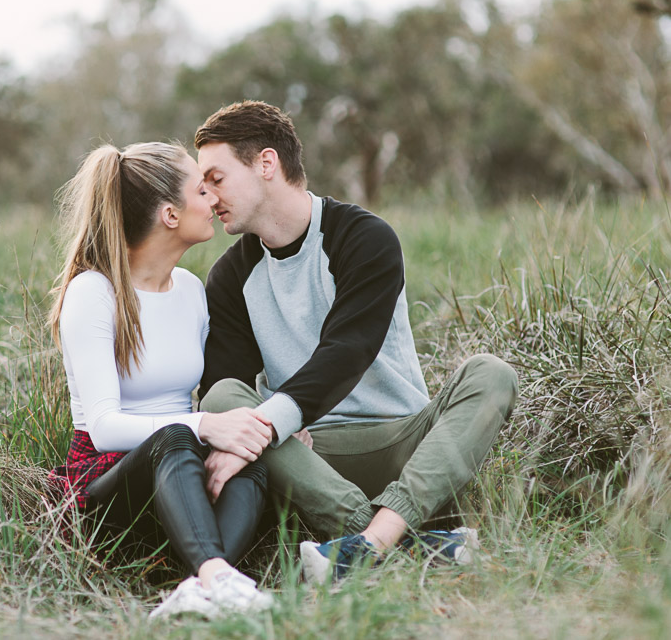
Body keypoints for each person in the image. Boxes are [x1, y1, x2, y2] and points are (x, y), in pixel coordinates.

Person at [192, 101, 519, 581]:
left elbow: (347, 352)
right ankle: (394, 542)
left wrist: (273, 420)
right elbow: (227, 387)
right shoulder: (230, 278)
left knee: (492, 374)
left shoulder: (363, 237)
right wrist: (276, 430)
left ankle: (370, 541)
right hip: (309, 460)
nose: (207, 197)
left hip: (405, 443)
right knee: (223, 399)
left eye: (216, 179)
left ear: (266, 163)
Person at [48, 141, 275, 617]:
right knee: (176, 434)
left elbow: (221, 387)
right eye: (201, 189)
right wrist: (203, 426)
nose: (214, 198)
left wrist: (258, 424)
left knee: (247, 454)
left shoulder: (192, 290)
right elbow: (105, 426)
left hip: (181, 477)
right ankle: (218, 577)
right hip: (105, 488)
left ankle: (200, 585)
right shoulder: (94, 293)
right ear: (171, 214)